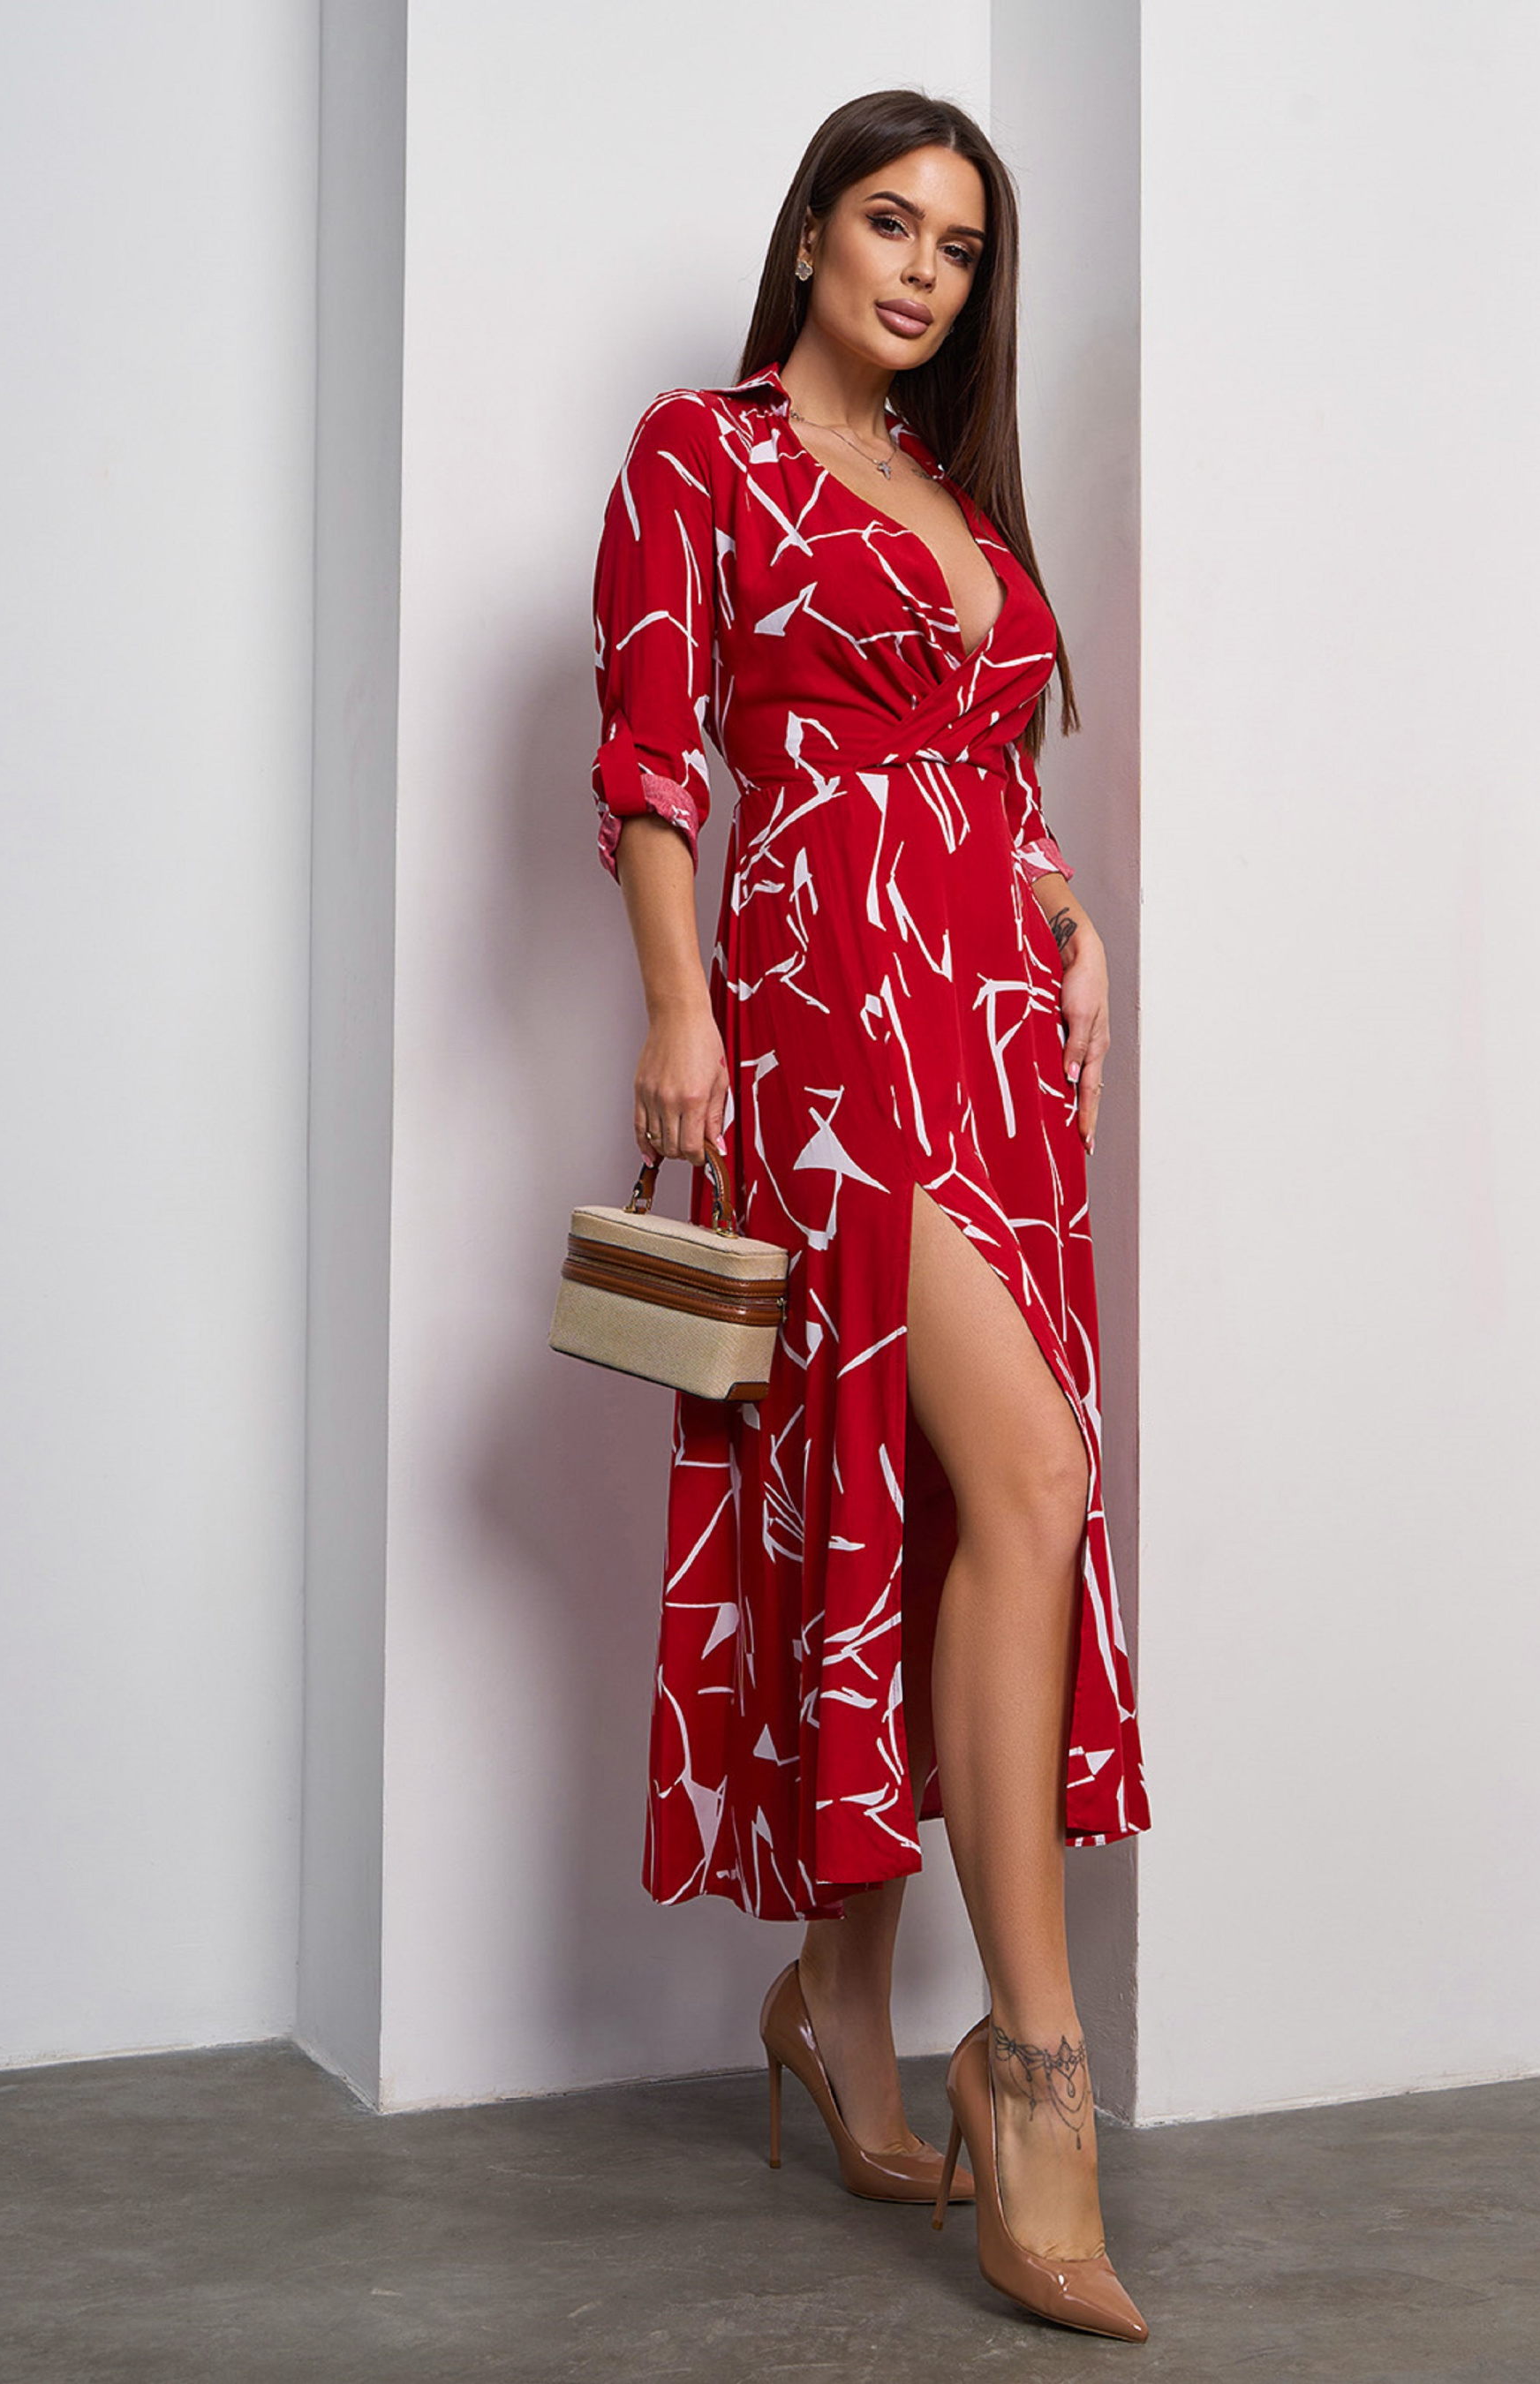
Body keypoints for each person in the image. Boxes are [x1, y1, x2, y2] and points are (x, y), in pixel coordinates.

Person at [589, 87, 1151, 2342]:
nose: (924, 271)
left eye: (961, 247)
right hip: (825, 1015)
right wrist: (678, 1009)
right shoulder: (699, 455)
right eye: (892, 224)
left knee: (931, 1520)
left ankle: (835, 2009)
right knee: (1030, 1474)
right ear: (813, 231)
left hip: (996, 1039)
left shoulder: (950, 489)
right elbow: (655, 755)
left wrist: (1070, 917)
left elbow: (990, 766)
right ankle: (1034, 2066)